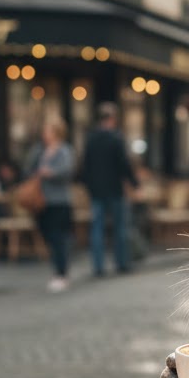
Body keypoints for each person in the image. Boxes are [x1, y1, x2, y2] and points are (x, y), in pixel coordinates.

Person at [80, 102, 139, 276]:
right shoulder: (116, 138)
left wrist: (89, 187)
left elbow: (85, 166)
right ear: (112, 119)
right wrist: (134, 184)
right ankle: (121, 263)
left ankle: (98, 266)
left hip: (97, 191)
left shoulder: (91, 139)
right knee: (119, 227)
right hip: (114, 190)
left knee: (97, 228)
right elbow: (124, 165)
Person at [27, 115, 75, 292]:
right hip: (42, 201)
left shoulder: (64, 150)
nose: (45, 134)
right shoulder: (40, 150)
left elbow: (68, 171)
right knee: (47, 235)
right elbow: (28, 167)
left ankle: (61, 272)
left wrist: (51, 172)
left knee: (59, 237)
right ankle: (57, 270)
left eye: (48, 131)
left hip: (60, 201)